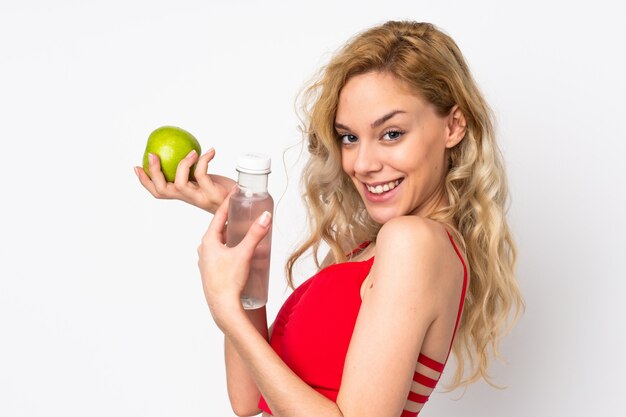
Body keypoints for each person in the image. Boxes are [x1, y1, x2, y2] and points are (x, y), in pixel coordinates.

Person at [135, 20, 523, 417]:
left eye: (391, 133)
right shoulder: (373, 250)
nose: (364, 164)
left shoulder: (414, 242)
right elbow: (249, 398)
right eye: (349, 138)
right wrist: (240, 218)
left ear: (453, 126)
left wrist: (227, 313)